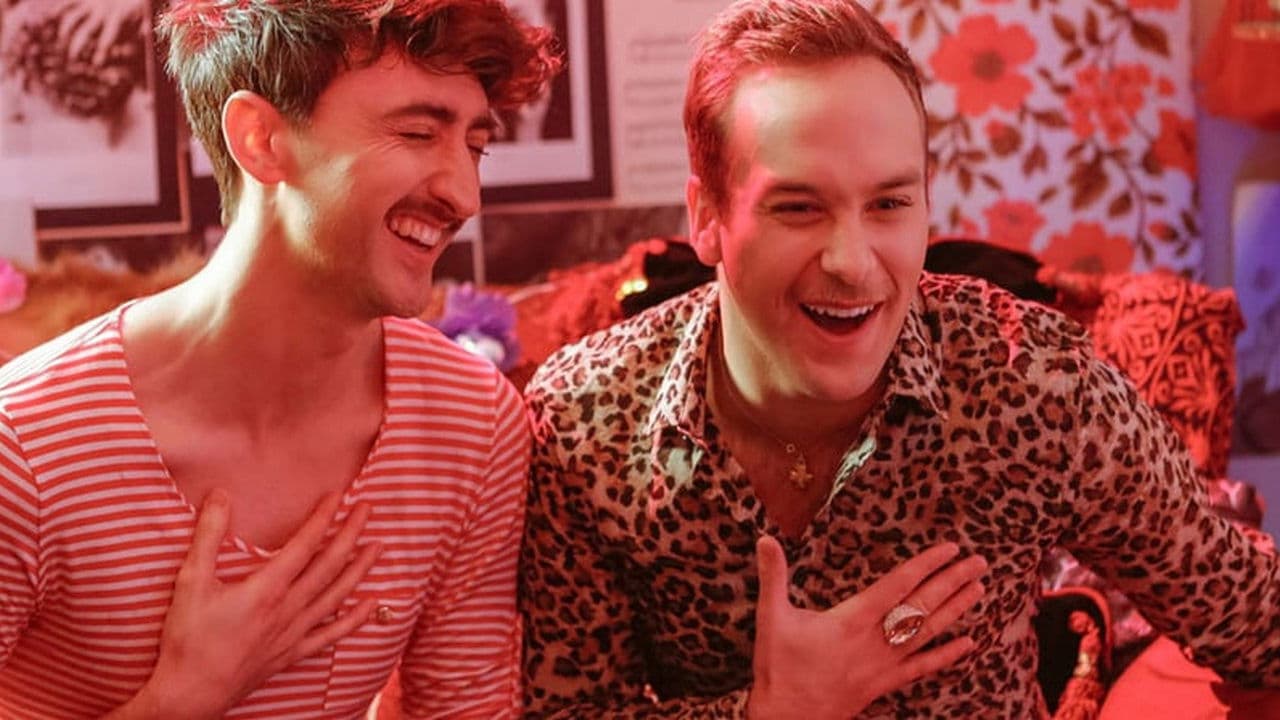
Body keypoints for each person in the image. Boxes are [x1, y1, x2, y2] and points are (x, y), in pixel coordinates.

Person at [519, 0, 1280, 718]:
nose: (852, 262)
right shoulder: (586, 425)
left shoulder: (1036, 386)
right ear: (707, 218)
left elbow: (1252, 617)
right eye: (798, 207)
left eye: (888, 204)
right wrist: (771, 710)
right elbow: (566, 709)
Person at [0, 1, 558, 717]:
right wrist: (181, 698)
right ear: (260, 140)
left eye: (474, 147)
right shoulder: (25, 447)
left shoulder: (472, 425)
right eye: (418, 133)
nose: (463, 194)